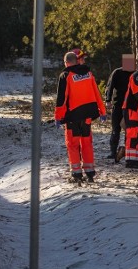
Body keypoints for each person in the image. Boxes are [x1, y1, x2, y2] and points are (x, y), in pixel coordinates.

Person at [54, 50, 106, 183]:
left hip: (73, 116)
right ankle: (89, 172)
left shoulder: (66, 75)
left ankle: (76, 174)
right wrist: (102, 111)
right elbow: (97, 93)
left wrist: (58, 117)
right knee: (86, 143)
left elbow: (62, 98)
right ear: (76, 60)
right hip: (88, 115)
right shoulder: (88, 74)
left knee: (72, 144)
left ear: (66, 62)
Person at [104, 65, 133, 163]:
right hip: (117, 104)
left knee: (128, 130)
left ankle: (126, 151)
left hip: (129, 106)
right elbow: (110, 86)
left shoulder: (135, 74)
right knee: (115, 129)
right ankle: (113, 152)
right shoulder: (117, 72)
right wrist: (108, 100)